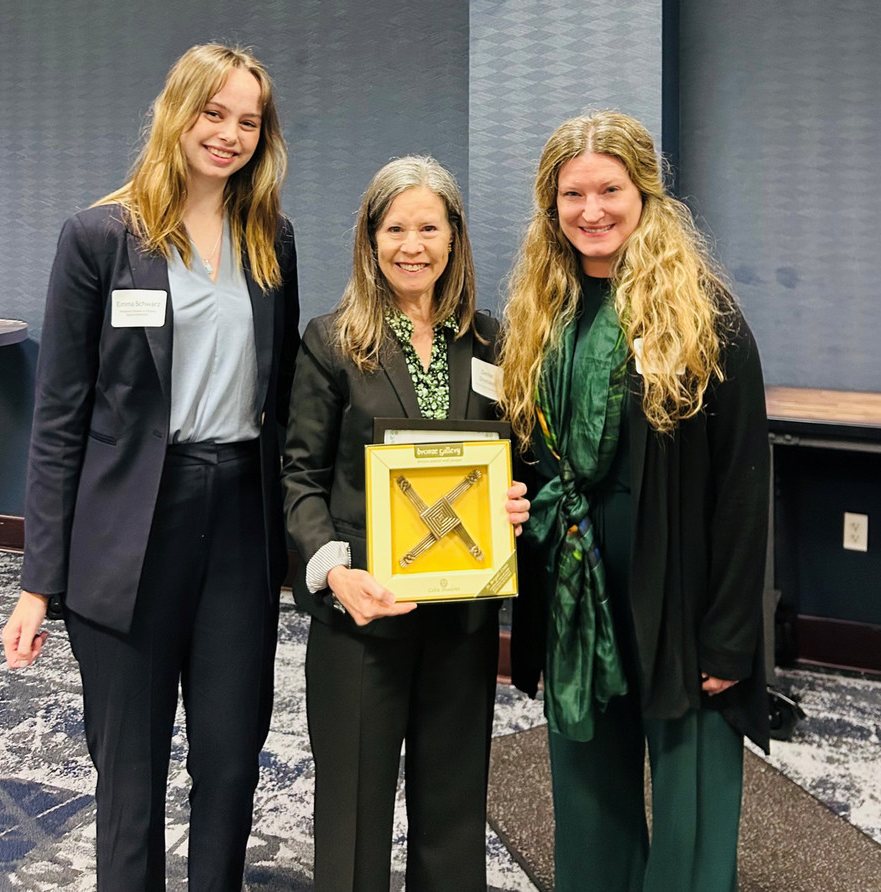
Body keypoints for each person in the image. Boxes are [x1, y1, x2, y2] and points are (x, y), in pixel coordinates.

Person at [0, 43, 299, 891]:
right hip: (127, 530)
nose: (230, 134)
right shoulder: (100, 237)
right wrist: (36, 580)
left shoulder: (271, 239)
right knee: (129, 779)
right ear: (178, 110)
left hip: (240, 521)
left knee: (231, 766)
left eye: (248, 121)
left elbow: (280, 400)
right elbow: (59, 418)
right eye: (214, 112)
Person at [500, 111, 770, 892]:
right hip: (577, 578)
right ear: (551, 206)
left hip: (677, 587)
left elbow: (743, 486)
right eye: (572, 194)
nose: (592, 211)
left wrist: (729, 639)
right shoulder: (540, 316)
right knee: (587, 787)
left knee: (690, 802)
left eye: (609, 189)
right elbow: (527, 450)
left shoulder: (704, 316)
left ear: (644, 192)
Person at [282, 156, 529, 892]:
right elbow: (299, 476)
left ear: (454, 238)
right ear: (370, 237)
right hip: (363, 612)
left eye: (429, 226)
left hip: (462, 620)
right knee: (353, 813)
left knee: (454, 812)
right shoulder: (331, 342)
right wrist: (333, 572)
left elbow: (514, 462)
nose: (411, 245)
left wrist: (513, 500)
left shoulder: (494, 342)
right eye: (396, 228)